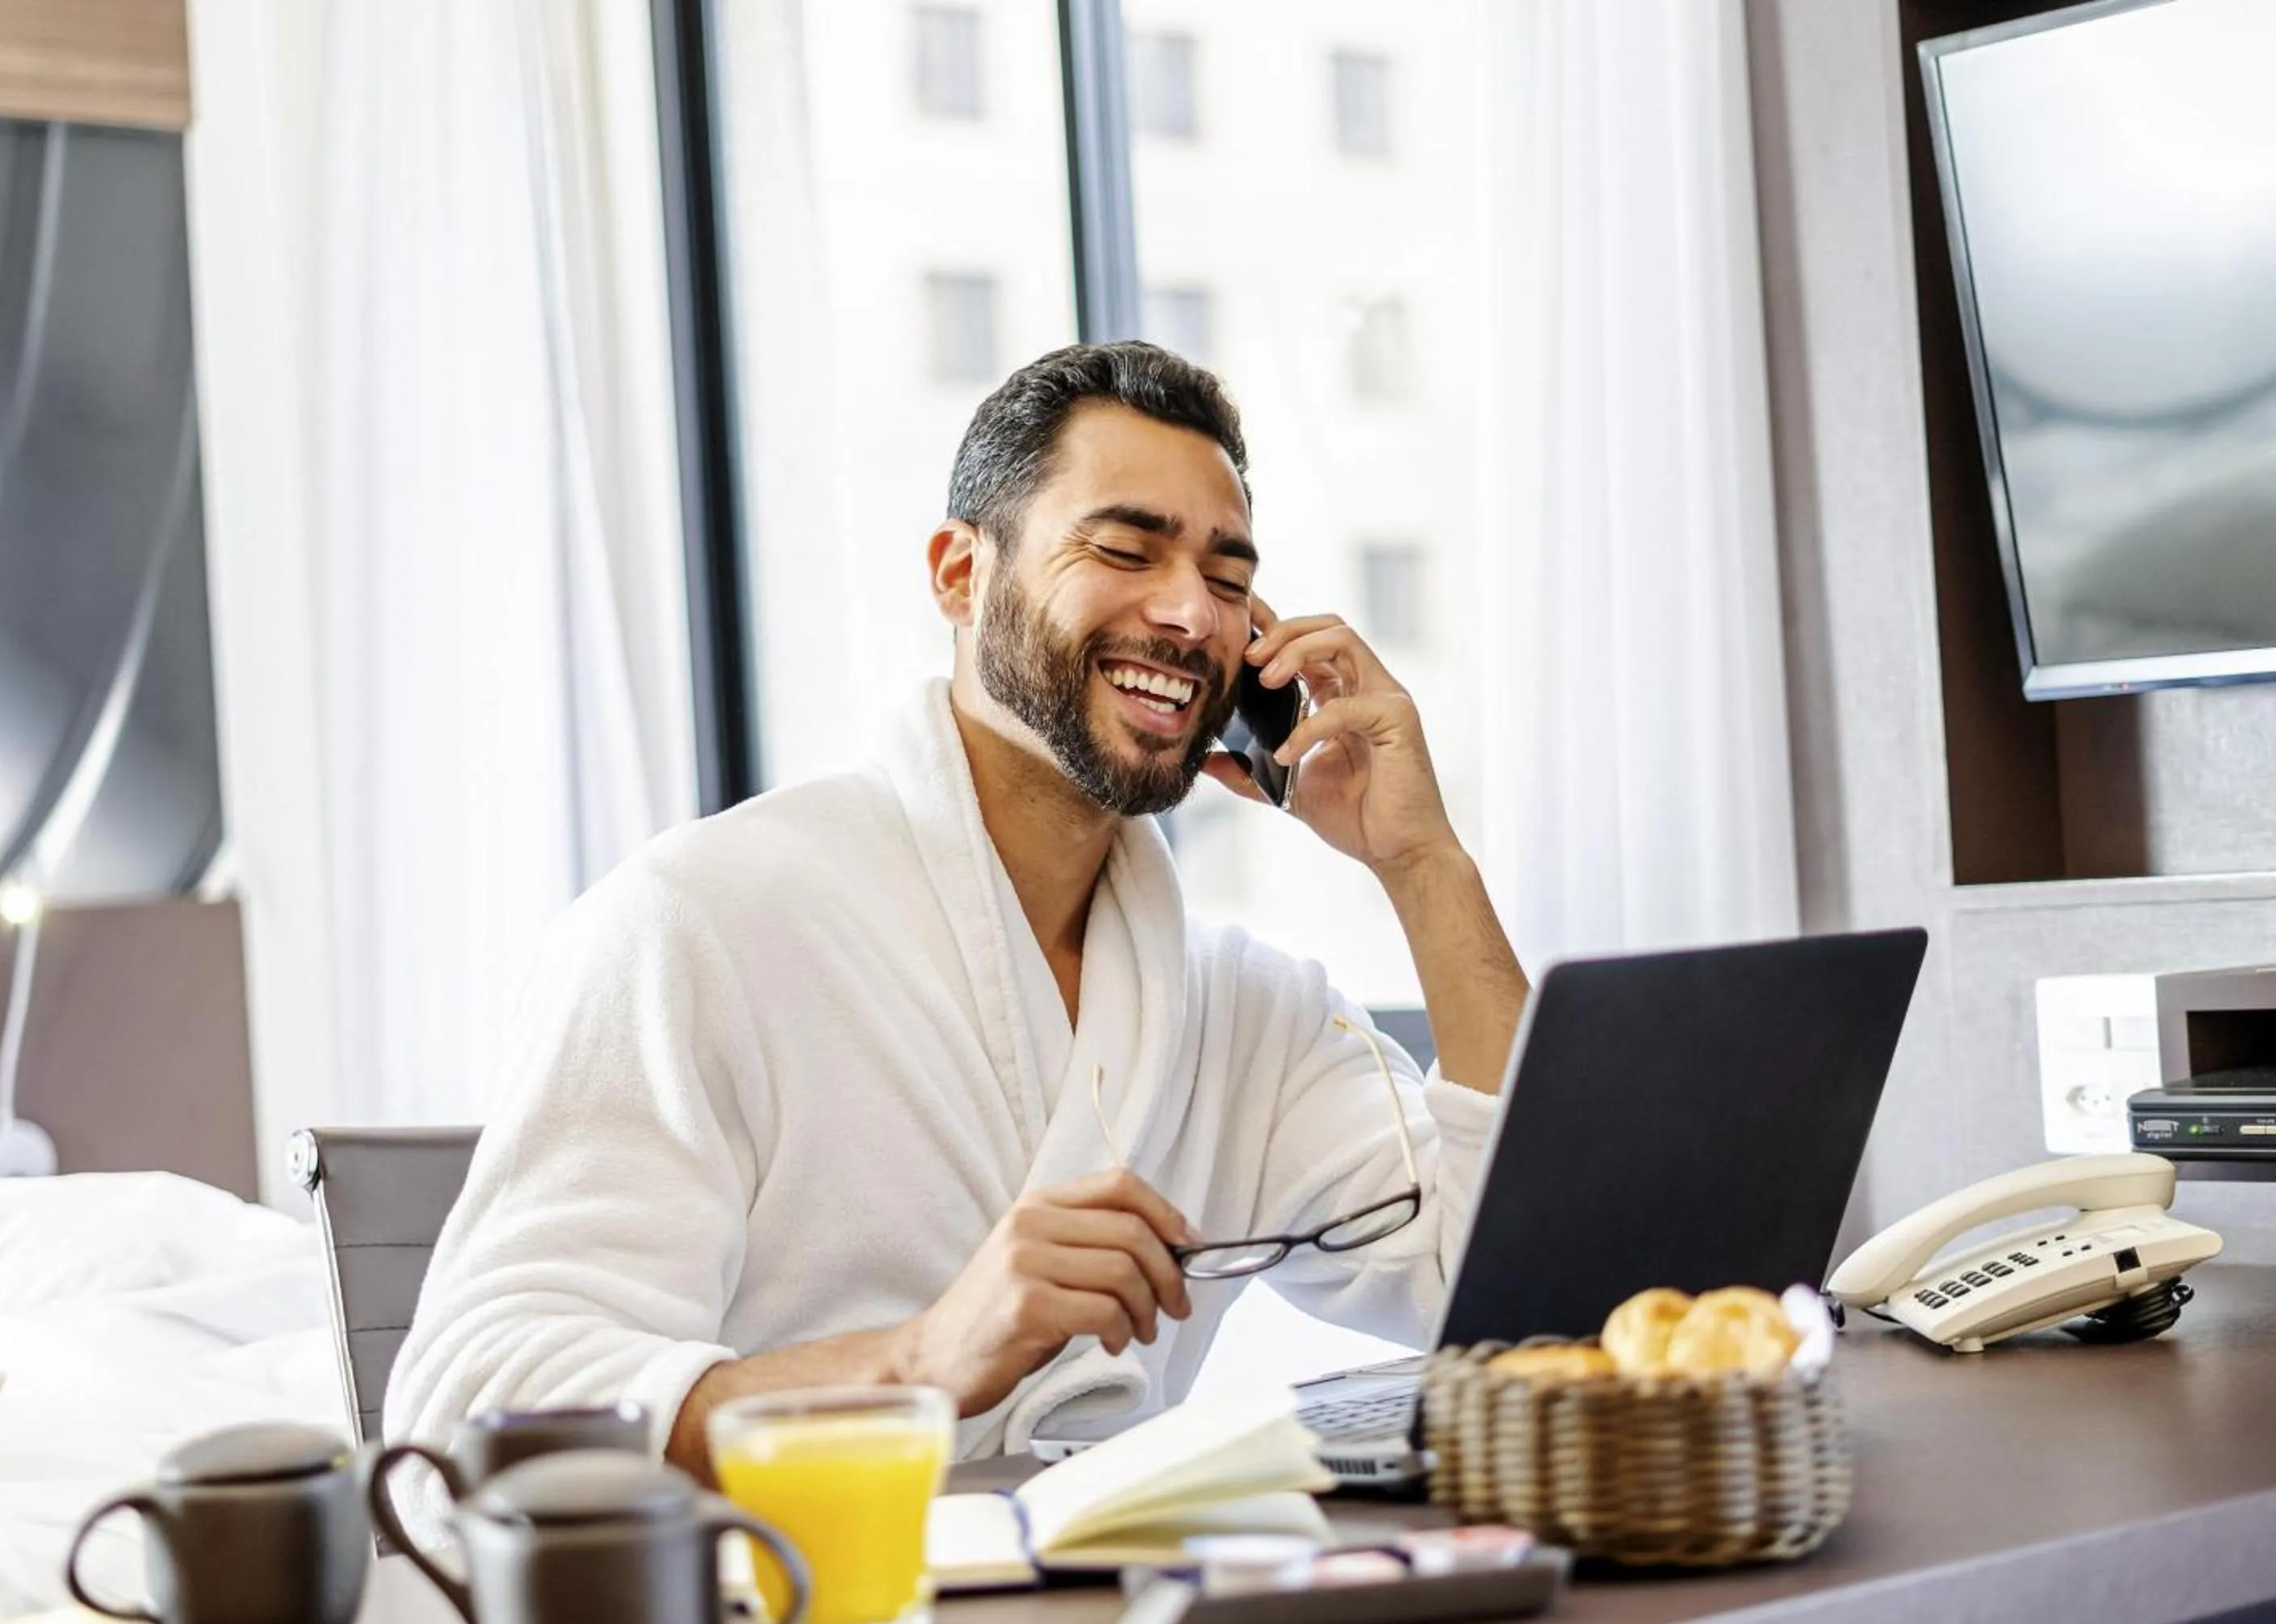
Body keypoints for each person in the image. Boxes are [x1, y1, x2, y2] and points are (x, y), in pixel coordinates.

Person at [386, 341, 1530, 1488]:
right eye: (1125, 548)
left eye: (1229, 581)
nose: (1190, 614)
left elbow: (1520, 1285)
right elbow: (474, 1395)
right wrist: (919, 1362)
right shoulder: (698, 926)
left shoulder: (1239, 1016)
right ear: (958, 573)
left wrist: (1422, 861)